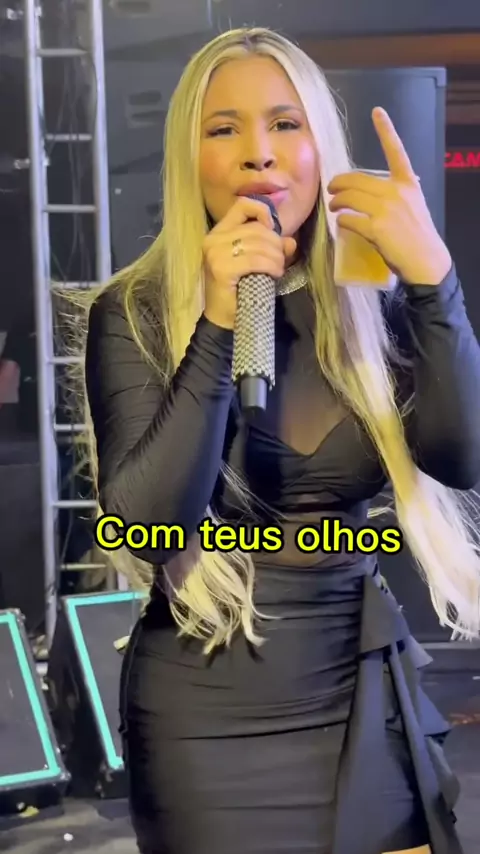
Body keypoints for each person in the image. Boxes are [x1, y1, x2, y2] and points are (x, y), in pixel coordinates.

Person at [83, 26, 480, 854]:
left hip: (358, 686)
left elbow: (460, 455)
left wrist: (435, 281)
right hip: (206, 710)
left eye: (285, 124)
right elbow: (147, 523)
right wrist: (218, 326)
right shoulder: (136, 312)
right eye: (223, 128)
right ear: (189, 158)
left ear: (319, 145)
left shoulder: (374, 302)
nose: (258, 152)